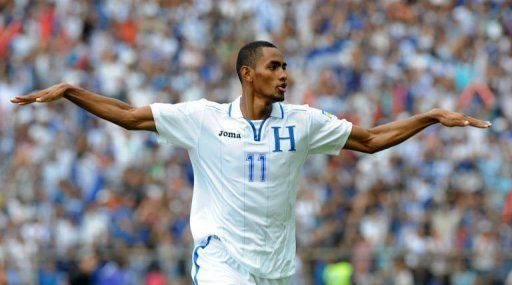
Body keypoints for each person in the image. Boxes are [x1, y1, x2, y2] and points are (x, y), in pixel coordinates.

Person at [10, 41, 491, 284]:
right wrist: (72, 91)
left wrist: (429, 117)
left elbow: (368, 140)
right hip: (221, 260)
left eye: (285, 67)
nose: (285, 75)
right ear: (247, 74)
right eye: (274, 67)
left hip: (277, 268)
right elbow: (131, 116)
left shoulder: (302, 122)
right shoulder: (203, 119)